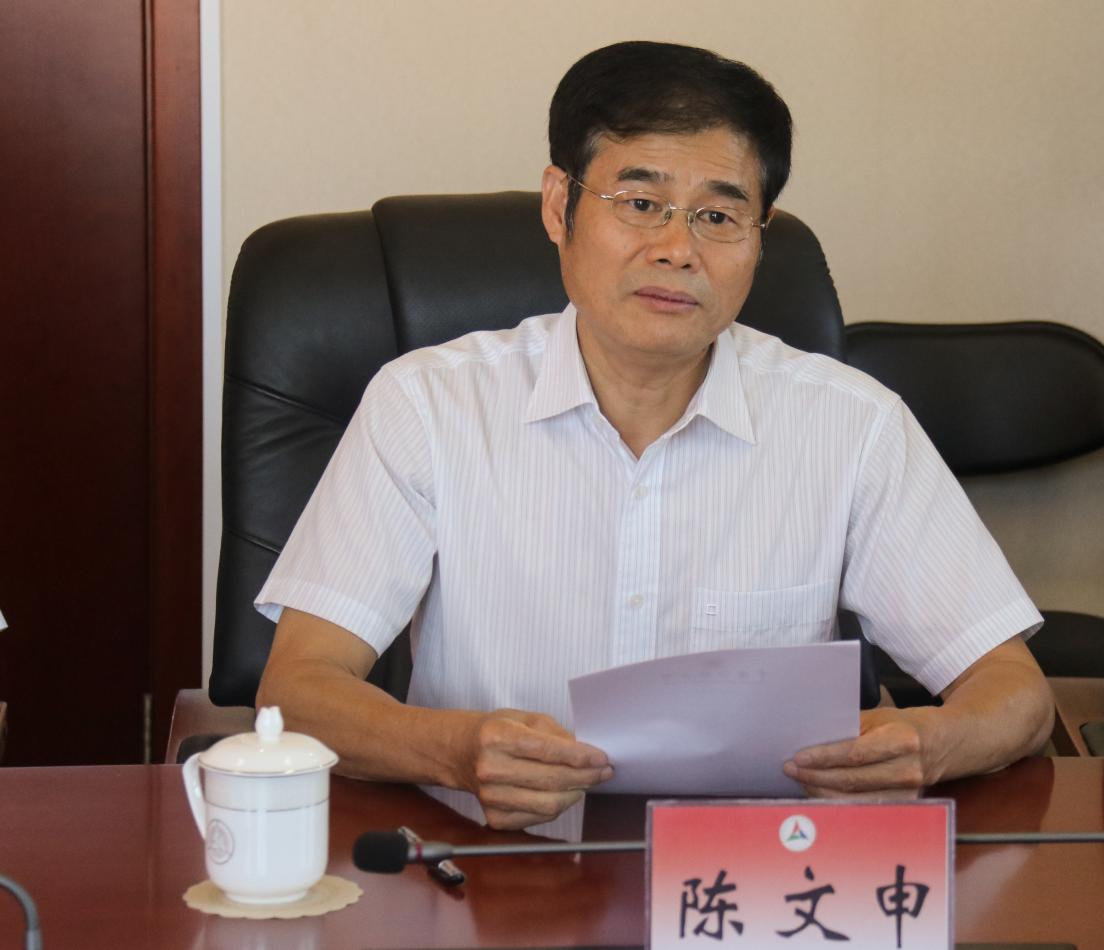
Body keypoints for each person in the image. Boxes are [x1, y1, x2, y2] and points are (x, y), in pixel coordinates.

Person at [255, 40, 1053, 835]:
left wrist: (929, 744)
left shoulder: (851, 425)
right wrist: (454, 751)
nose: (677, 249)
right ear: (557, 206)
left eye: (718, 216)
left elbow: (1014, 693)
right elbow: (298, 689)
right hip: (487, 865)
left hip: (754, 875)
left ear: (759, 235)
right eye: (639, 204)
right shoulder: (428, 405)